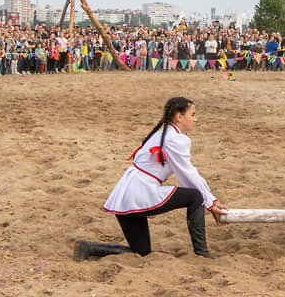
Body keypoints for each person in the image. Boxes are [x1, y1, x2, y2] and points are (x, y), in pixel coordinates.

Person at [73, 97, 228, 260]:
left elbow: (189, 173)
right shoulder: (175, 139)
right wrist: (210, 204)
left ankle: (88, 247)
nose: (195, 119)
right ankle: (202, 253)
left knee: (141, 252)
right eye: (193, 114)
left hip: (127, 193)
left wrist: (212, 201)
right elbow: (189, 175)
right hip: (139, 192)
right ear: (179, 116)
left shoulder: (163, 134)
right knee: (195, 196)